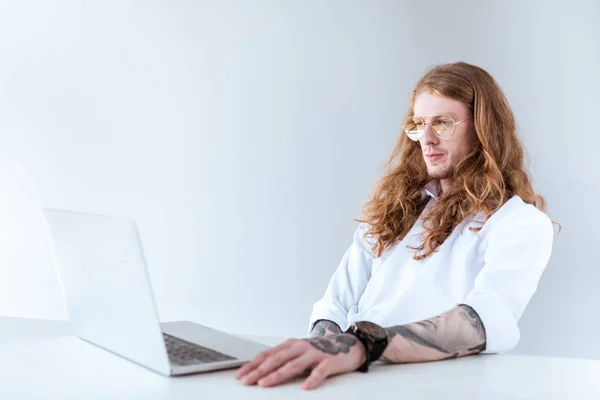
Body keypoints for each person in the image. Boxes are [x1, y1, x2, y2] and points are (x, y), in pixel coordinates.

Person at [235, 61, 555, 390]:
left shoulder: (519, 223)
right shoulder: (396, 211)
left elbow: (484, 322)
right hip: (352, 382)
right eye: (418, 124)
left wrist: (362, 347)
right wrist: (323, 351)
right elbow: (335, 306)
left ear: (484, 127)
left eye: (443, 123)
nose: (426, 139)